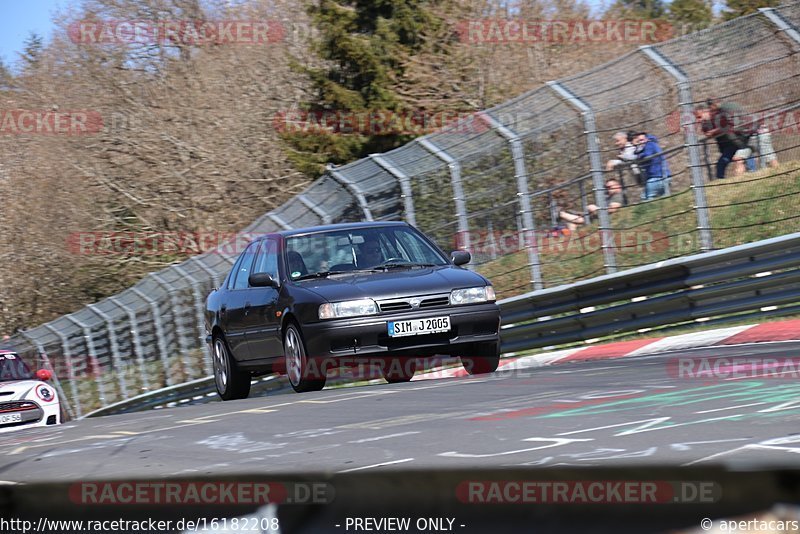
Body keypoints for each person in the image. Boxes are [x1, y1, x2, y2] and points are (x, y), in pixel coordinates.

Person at [696, 100, 754, 178]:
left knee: (744, 156)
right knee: (721, 164)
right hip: (730, 145)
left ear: (706, 111)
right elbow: (706, 131)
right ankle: (720, 183)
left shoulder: (720, 114)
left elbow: (728, 125)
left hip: (741, 139)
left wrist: (715, 131)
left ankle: (753, 174)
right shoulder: (707, 123)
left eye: (699, 117)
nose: (698, 120)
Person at [558, 179, 624, 232]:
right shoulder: (609, 197)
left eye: (610, 187)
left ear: (618, 186)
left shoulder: (617, 196)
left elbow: (612, 209)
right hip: (593, 216)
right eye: (606, 187)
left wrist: (596, 209)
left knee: (565, 216)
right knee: (571, 223)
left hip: (597, 218)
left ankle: (560, 214)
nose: (608, 189)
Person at [633, 131, 670, 200]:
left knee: (646, 198)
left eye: (642, 140)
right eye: (639, 141)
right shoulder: (652, 145)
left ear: (647, 139)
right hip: (663, 176)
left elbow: (647, 155)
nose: (641, 142)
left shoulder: (649, 144)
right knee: (662, 200)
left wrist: (638, 157)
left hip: (657, 177)